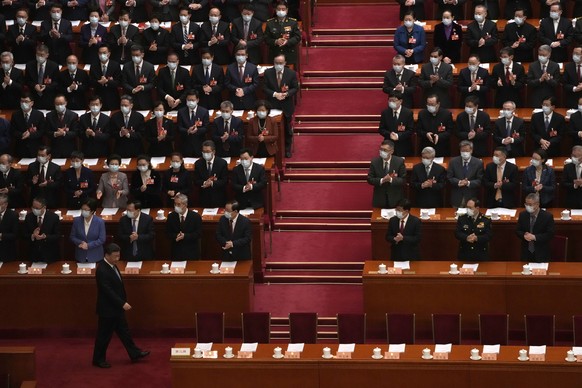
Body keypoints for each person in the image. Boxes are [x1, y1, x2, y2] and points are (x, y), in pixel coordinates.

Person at [92, 243, 150, 369]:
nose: (117, 258)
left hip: (116, 309)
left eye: (118, 255)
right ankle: (98, 359)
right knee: (104, 336)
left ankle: (134, 353)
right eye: (115, 256)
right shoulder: (102, 269)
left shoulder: (112, 265)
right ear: (106, 255)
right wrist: (122, 303)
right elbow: (107, 291)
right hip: (107, 310)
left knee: (124, 332)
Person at [263, 54, 298, 158]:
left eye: (280, 63)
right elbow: (264, 87)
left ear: (285, 63)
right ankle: (274, 149)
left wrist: (286, 94)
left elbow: (295, 88)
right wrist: (275, 94)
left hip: (286, 105)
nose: (278, 65)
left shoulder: (291, 73)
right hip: (272, 104)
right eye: (276, 63)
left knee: (287, 129)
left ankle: (287, 149)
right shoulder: (268, 73)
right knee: (272, 128)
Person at [516, 193, 555, 262]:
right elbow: (518, 230)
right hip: (526, 253)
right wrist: (524, 235)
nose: (528, 206)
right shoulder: (522, 215)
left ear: (537, 204)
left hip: (541, 253)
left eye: (530, 204)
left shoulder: (547, 216)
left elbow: (550, 234)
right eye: (526, 204)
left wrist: (535, 237)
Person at [367, 140, 406, 208]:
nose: (382, 152)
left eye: (385, 150)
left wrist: (391, 180)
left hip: (395, 199)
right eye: (381, 149)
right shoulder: (374, 162)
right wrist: (382, 180)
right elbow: (370, 179)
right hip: (379, 199)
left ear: (392, 151)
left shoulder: (399, 161)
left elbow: (403, 180)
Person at [447, 140, 484, 208]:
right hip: (457, 198)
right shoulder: (453, 161)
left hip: (471, 197)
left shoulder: (478, 163)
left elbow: (480, 180)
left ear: (471, 150)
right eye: (462, 151)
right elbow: (449, 177)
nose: (464, 153)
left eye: (467, 151)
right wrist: (459, 182)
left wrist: (468, 183)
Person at [24, 197, 61, 263]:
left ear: (44, 208)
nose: (34, 209)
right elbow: (24, 234)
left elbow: (57, 235)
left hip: (49, 254)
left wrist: (45, 237)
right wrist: (33, 235)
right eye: (33, 207)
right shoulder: (29, 217)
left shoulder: (54, 217)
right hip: (34, 254)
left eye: (37, 208)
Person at [264, 1, 301, 67]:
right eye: (279, 9)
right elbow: (266, 38)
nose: (281, 11)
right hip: (275, 54)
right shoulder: (270, 23)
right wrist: (275, 41)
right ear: (275, 10)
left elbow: (297, 37)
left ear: (287, 10)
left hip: (289, 54)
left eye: (283, 9)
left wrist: (288, 42)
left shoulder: (293, 22)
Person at [166, 194, 202, 260]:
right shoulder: (171, 216)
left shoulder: (195, 217)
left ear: (185, 204)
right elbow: (167, 233)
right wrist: (176, 236)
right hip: (176, 252)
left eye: (179, 204)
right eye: (175, 204)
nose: (176, 206)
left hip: (191, 252)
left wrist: (185, 236)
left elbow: (198, 234)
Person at [378, 91, 415, 157]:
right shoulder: (385, 113)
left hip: (403, 146)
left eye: (394, 101)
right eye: (390, 100)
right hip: (389, 146)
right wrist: (389, 134)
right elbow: (381, 129)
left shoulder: (408, 113)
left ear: (400, 101)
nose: (391, 102)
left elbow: (411, 130)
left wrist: (398, 136)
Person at [70, 198, 106, 263]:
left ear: (92, 211)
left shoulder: (100, 222)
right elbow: (72, 237)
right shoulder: (77, 221)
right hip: (80, 256)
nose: (83, 211)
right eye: (82, 209)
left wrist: (88, 245)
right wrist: (81, 242)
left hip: (96, 256)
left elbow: (102, 239)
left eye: (86, 210)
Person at [194, 140, 228, 208]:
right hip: (204, 198)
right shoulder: (198, 163)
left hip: (218, 197)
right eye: (204, 151)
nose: (205, 153)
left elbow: (224, 181)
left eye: (208, 151)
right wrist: (204, 183)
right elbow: (196, 180)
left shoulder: (222, 163)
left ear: (214, 152)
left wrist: (212, 183)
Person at [10, 93, 46, 158]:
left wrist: (30, 135)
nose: (23, 104)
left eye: (26, 101)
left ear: (32, 103)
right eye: (22, 101)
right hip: (21, 148)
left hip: (35, 148)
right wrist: (22, 134)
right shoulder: (15, 115)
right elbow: (13, 131)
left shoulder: (39, 115)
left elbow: (42, 131)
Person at [25, 45, 60, 110]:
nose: (39, 57)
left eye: (42, 55)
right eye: (38, 54)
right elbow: (27, 80)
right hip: (34, 98)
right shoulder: (29, 65)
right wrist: (34, 85)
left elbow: (56, 82)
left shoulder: (54, 66)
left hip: (48, 98)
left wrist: (46, 87)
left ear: (47, 55)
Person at [121, 45, 156, 111]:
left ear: (142, 55)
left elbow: (152, 83)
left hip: (145, 101)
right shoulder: (126, 67)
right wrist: (132, 90)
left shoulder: (149, 67)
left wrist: (143, 87)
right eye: (133, 55)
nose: (135, 57)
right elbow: (124, 83)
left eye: (137, 55)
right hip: (131, 100)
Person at [177, 89, 210, 157]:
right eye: (188, 100)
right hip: (185, 145)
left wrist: (197, 130)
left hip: (199, 145)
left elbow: (206, 128)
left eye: (192, 100)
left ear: (197, 100)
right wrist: (187, 131)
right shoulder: (181, 112)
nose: (190, 102)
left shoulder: (204, 112)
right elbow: (179, 128)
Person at [225, 46, 259, 110]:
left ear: (247, 56)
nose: (240, 56)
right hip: (234, 100)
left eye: (243, 54)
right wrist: (236, 89)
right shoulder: (230, 68)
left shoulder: (253, 68)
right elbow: (227, 83)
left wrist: (244, 90)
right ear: (235, 55)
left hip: (249, 100)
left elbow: (256, 84)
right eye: (238, 54)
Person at [45, 94, 79, 158]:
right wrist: (55, 134)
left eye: (61, 103)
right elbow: (47, 132)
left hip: (69, 150)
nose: (59, 106)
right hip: (55, 150)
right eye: (57, 104)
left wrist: (64, 133)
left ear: (66, 103)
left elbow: (75, 132)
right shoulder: (49, 116)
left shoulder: (73, 116)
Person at [90, 45, 122, 111]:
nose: (102, 55)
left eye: (104, 53)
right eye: (100, 53)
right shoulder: (94, 66)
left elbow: (119, 82)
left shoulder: (115, 65)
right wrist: (99, 82)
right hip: (98, 97)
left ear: (109, 54)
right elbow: (91, 82)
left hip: (112, 98)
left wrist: (107, 81)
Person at [0, 193, 18, 262]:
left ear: (6, 204)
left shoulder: (13, 215)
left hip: (8, 250)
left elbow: (15, 234)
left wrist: (1, 236)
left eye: (0, 204)